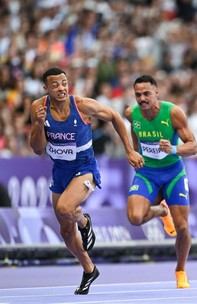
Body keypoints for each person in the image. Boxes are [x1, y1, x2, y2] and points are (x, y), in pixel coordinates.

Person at [29, 67, 143, 294]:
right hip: (60, 170)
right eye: (55, 85)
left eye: (64, 83)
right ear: (46, 88)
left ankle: (84, 221)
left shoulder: (81, 105)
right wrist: (39, 125)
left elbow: (114, 116)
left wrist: (129, 150)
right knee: (65, 232)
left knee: (65, 208)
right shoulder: (38, 108)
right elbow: (37, 149)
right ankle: (89, 269)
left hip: (85, 168)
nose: (61, 88)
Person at [124, 74, 197, 288]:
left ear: (157, 92)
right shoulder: (132, 114)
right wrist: (133, 152)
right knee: (135, 218)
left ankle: (180, 270)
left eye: (147, 93)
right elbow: (135, 133)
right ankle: (161, 211)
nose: (142, 98)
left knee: (182, 227)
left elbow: (193, 146)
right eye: (138, 94)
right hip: (146, 173)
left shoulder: (173, 113)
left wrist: (174, 149)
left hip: (173, 173)